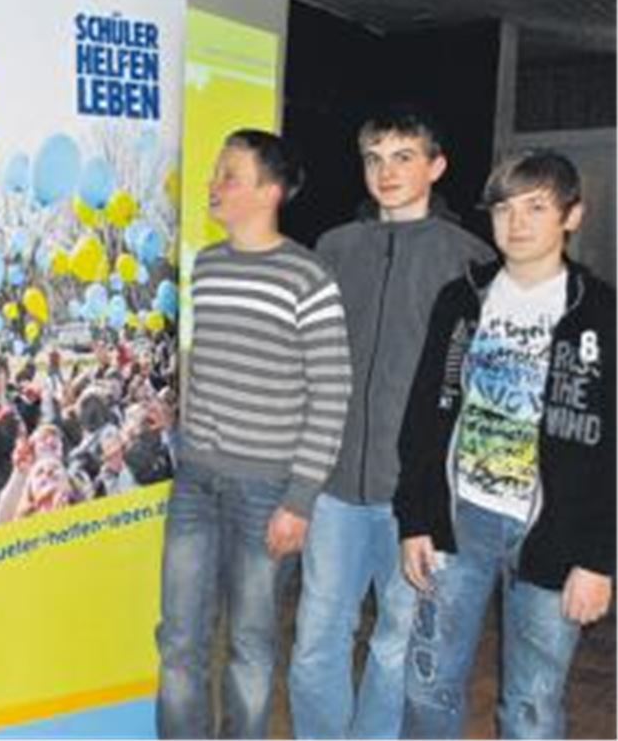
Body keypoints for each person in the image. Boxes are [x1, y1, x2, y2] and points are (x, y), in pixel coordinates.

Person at [288, 106, 494, 739]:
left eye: (404, 157)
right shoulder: (333, 247)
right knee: (316, 641)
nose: (387, 171)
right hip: (333, 486)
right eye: (375, 158)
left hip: (419, 497)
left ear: (436, 167)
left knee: (396, 644)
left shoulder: (472, 261)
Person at [394, 149, 614, 739]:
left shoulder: (601, 314)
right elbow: (425, 418)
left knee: (533, 708)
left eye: (536, 207)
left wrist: (599, 559)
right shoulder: (461, 299)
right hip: (460, 521)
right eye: (504, 208)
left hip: (554, 534)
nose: (516, 223)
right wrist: (416, 518)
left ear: (572, 216)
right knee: (428, 684)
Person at [156, 130, 352, 738]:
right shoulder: (207, 266)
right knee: (180, 641)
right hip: (195, 481)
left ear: (270, 190)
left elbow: (332, 392)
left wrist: (300, 500)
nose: (214, 185)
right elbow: (203, 360)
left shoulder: (307, 276)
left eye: (230, 175)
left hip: (266, 493)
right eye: (216, 172)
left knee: (250, 646)